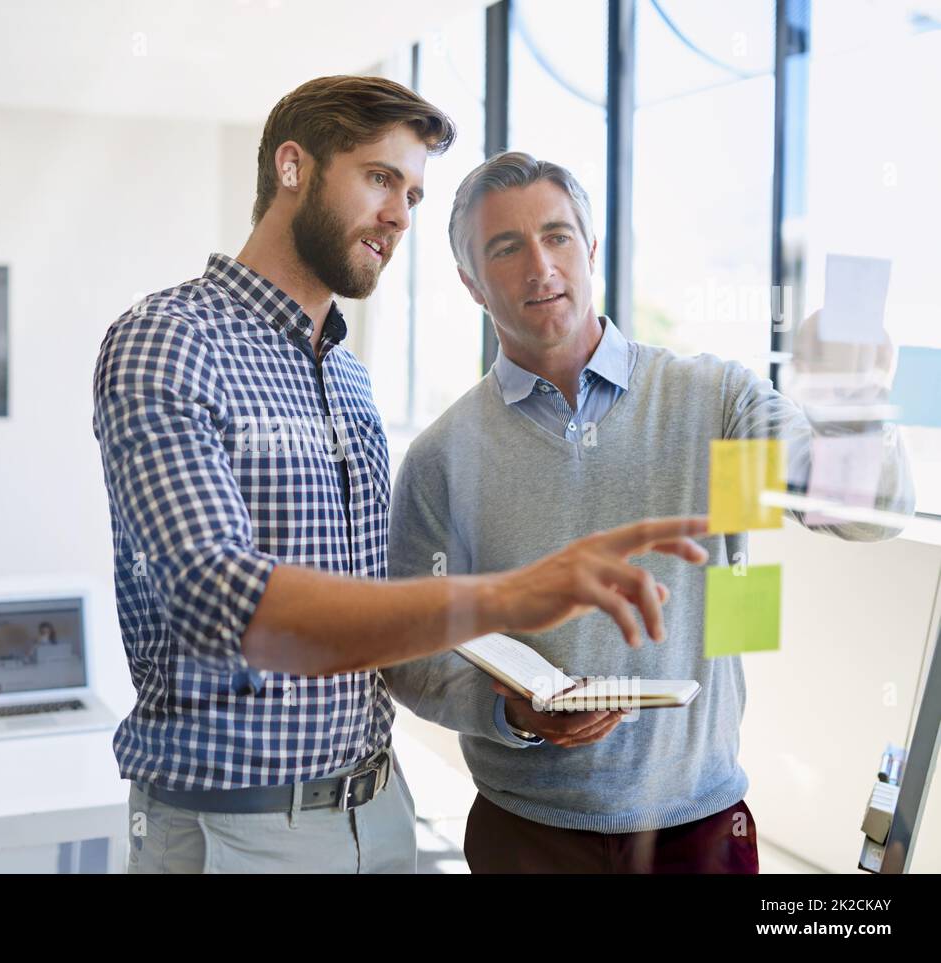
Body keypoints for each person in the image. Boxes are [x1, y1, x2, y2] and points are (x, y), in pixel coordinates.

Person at [93, 83, 709, 874]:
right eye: (380, 179)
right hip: (236, 830)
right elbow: (219, 598)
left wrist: (510, 697)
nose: (400, 216)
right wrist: (517, 593)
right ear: (292, 167)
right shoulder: (168, 340)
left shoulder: (349, 378)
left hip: (380, 811)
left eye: (412, 194)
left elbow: (376, 615)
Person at [382, 151, 916, 874]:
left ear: (591, 248)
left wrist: (853, 404)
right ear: (471, 282)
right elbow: (414, 653)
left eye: (558, 235)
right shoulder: (443, 456)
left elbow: (859, 513)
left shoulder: (715, 403)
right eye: (506, 248)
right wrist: (514, 714)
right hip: (526, 831)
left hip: (700, 827)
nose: (540, 265)